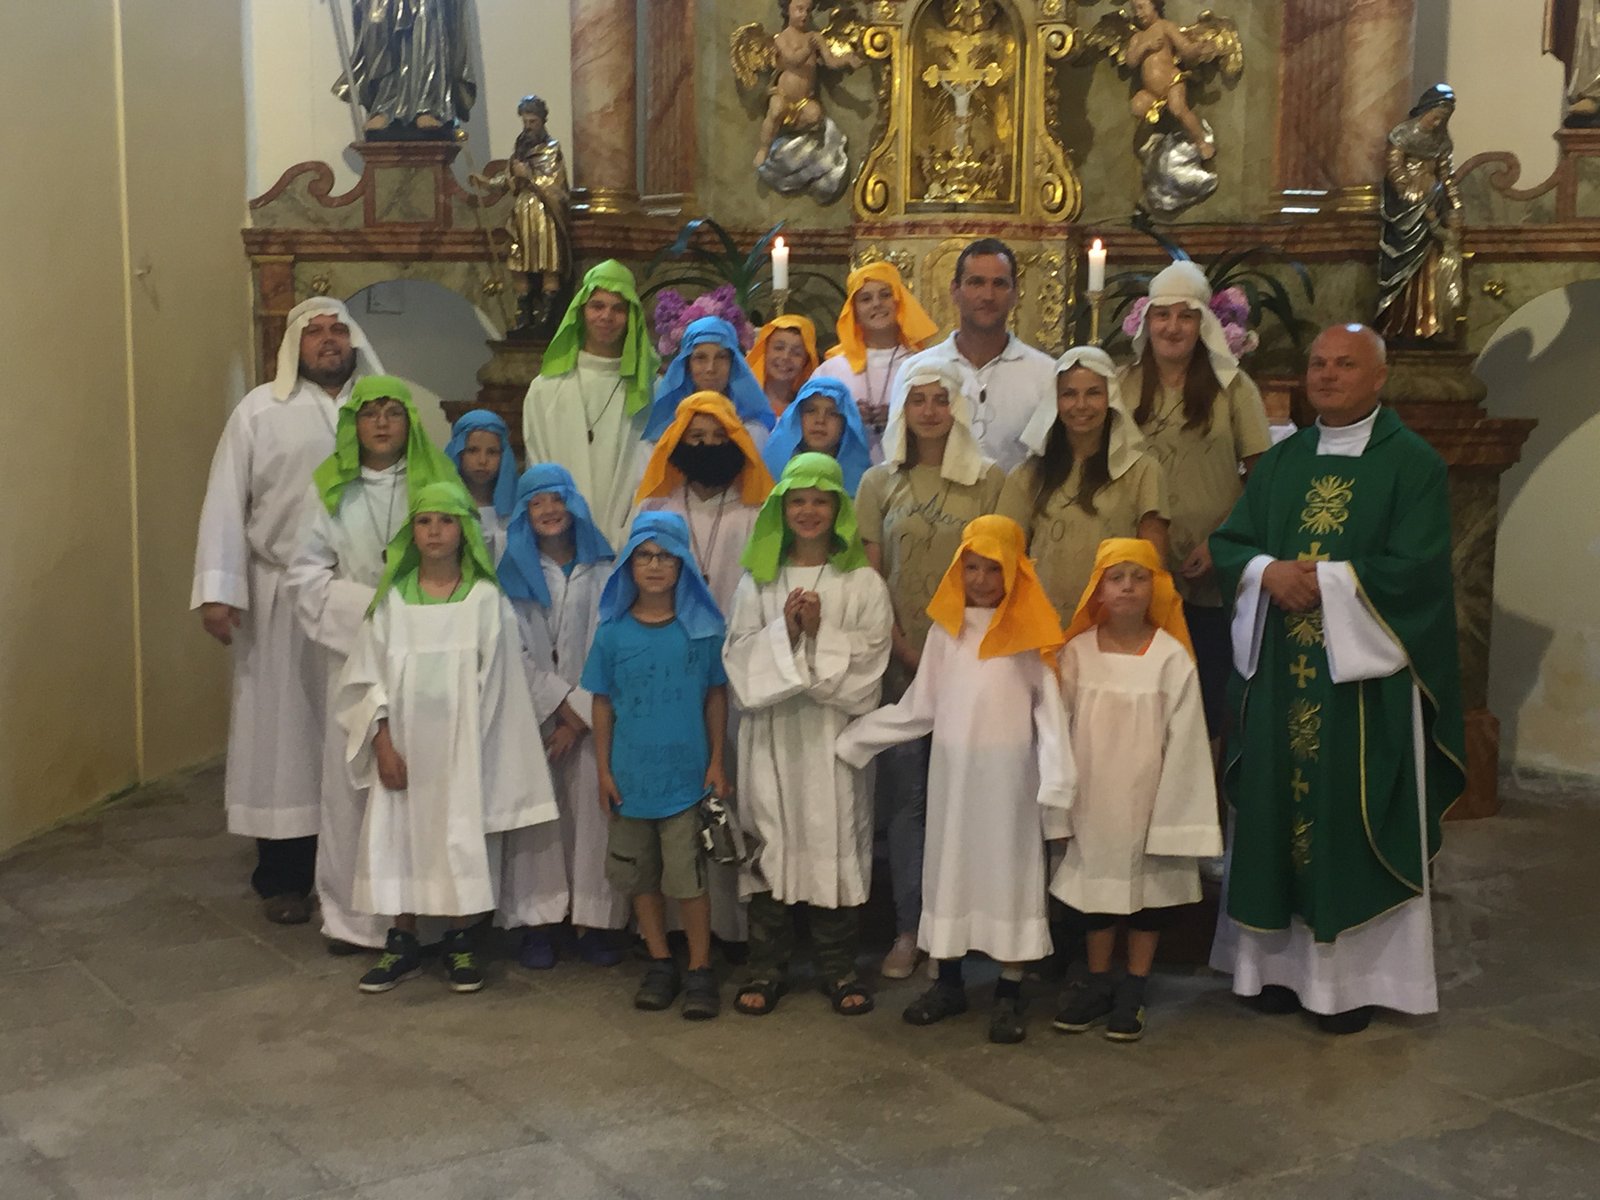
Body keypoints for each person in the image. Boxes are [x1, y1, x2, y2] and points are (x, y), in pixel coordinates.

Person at [1209, 324, 1465, 1035]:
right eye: (1317, 363)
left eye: (1345, 364)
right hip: (1282, 677)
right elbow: (1233, 543)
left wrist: (1322, 582)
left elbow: (1418, 573)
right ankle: (1274, 971)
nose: (1326, 375)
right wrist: (1267, 572)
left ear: (1379, 377)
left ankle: (1350, 984)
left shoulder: (1413, 465)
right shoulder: (1282, 462)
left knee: (1350, 817)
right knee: (1273, 814)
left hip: (1362, 686)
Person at [838, 515, 1073, 1044]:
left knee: (1010, 875)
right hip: (954, 777)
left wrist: (1058, 782)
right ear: (958, 570)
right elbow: (920, 706)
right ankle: (947, 982)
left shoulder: (1031, 632)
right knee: (949, 869)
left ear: (1014, 571)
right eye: (972, 567)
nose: (982, 580)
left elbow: (1050, 714)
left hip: (1011, 781)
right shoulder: (946, 631)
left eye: (994, 568)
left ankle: (1009, 990)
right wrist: (857, 738)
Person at [192, 297, 384, 925]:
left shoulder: (381, 408)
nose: (328, 341)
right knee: (284, 737)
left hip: (357, 599)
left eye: (338, 330)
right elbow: (227, 499)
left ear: (355, 341)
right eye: (315, 332)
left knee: (356, 729)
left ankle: (359, 867)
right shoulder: (259, 411)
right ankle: (283, 875)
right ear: (294, 346)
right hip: (279, 597)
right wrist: (219, 589)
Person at [338, 481, 560, 994]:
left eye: (446, 521)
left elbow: (501, 685)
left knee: (461, 841)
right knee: (399, 839)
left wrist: (477, 752)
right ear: (411, 532)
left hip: (464, 751)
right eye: (424, 521)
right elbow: (365, 680)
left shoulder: (485, 601)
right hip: (404, 751)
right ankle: (402, 939)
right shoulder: (392, 602)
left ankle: (461, 940)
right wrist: (382, 744)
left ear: (465, 531)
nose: (435, 531)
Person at [288, 375, 458, 952]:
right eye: (369, 413)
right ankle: (352, 918)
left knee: (420, 779)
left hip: (426, 651)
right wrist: (372, 608)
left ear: (410, 422)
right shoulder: (329, 488)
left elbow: (465, 555)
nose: (382, 423)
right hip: (356, 653)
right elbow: (305, 574)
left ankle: (427, 916)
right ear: (352, 426)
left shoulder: (435, 481)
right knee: (352, 784)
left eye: (393, 412)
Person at [723, 453, 894, 1019]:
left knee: (835, 838)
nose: (809, 511)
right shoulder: (758, 579)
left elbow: (871, 663)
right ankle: (765, 967)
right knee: (769, 839)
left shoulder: (862, 583)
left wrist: (819, 633)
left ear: (838, 509)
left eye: (821, 501)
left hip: (831, 737)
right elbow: (738, 658)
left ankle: (839, 967)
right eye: (798, 500)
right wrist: (788, 633)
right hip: (771, 736)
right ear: (781, 508)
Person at [853, 361, 1005, 979]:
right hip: (901, 664)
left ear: (958, 407)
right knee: (908, 800)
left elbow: (1001, 575)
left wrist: (953, 654)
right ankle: (909, 928)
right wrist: (899, 644)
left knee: (973, 794)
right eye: (917, 400)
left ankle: (970, 927)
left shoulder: (989, 480)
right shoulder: (878, 481)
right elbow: (871, 576)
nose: (930, 411)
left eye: (941, 399)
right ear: (902, 410)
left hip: (973, 666)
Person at [1049, 538, 1221, 1042]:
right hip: (1093, 801)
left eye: (1139, 576)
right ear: (1098, 589)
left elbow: (1187, 743)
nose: (1127, 586)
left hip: (1151, 800)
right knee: (1096, 896)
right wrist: (1059, 806)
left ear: (1156, 587)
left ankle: (1134, 988)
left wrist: (1177, 812)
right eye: (1116, 577)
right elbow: (1057, 731)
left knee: (1150, 897)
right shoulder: (1076, 653)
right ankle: (1098, 982)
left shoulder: (1171, 658)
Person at [582, 512, 731, 1019]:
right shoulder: (611, 634)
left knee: (688, 880)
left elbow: (715, 696)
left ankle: (700, 967)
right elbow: (602, 703)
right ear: (628, 565)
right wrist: (604, 771)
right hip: (630, 781)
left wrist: (717, 761)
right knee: (641, 877)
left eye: (666, 556)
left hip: (686, 780)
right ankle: (660, 960)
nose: (654, 565)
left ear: (683, 564)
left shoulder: (702, 633)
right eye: (644, 555)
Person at [1123, 261, 1273, 745]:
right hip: (1138, 568)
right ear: (1147, 321)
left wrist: (1221, 542)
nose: (1173, 327)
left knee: (1206, 699)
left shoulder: (1234, 388)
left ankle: (1205, 787)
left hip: (1210, 572)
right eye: (1162, 315)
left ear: (1203, 323)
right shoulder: (1121, 386)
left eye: (1185, 316)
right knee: (1143, 699)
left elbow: (1263, 477)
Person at [497, 464, 625, 969]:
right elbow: (513, 652)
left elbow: (611, 642)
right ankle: (539, 922)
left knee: (595, 819)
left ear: (574, 505)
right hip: (536, 719)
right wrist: (558, 706)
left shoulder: (605, 570)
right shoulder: (510, 577)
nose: (549, 510)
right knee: (539, 822)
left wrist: (579, 715)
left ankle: (594, 921)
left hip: (595, 718)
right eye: (537, 502)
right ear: (524, 513)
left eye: (557, 499)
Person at [997, 346, 1169, 624]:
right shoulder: (1027, 475)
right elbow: (1005, 555)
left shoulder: (1143, 472)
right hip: (1042, 624)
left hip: (1113, 625)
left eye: (1093, 393)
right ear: (1055, 401)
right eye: (1069, 394)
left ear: (1111, 398)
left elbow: (1153, 563)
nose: (1081, 405)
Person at [522, 260, 659, 546]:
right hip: (562, 540)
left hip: (630, 541)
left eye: (618, 308)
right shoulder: (546, 388)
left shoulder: (652, 389)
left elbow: (653, 471)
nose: (606, 316)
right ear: (581, 312)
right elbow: (539, 465)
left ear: (631, 317)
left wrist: (627, 535)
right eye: (597, 306)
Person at [890, 238, 1055, 472]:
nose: (988, 295)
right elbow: (898, 455)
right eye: (976, 282)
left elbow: (1051, 464)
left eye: (999, 284)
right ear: (954, 291)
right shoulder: (917, 370)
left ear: (1015, 293)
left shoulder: (1045, 374)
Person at [636, 392, 775, 620]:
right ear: (680, 442)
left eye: (720, 436)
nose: (709, 444)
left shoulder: (755, 513)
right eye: (697, 436)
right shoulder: (657, 509)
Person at [814, 260, 940, 456]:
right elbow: (810, 424)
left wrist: (902, 416)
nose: (877, 304)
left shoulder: (922, 365)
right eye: (866, 299)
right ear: (854, 311)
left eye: (885, 295)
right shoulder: (831, 370)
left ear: (899, 301)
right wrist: (844, 416)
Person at [644, 316, 775, 452]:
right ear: (687, 365)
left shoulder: (752, 432)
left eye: (721, 357)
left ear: (733, 364)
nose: (710, 368)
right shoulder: (666, 430)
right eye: (700, 358)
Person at [760, 376, 874, 495]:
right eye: (811, 410)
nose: (820, 420)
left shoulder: (867, 483)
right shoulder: (768, 473)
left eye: (833, 413)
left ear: (846, 423)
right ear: (796, 417)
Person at [444, 409, 518, 564]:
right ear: (458, 453)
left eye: (492, 452)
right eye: (473, 450)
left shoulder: (518, 507)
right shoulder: (442, 504)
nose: (482, 460)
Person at [747, 313, 820, 418]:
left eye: (797, 353)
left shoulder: (809, 410)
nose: (786, 357)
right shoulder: (741, 400)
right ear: (764, 351)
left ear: (807, 361)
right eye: (779, 348)